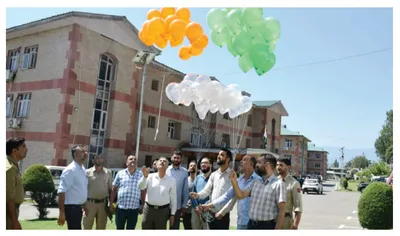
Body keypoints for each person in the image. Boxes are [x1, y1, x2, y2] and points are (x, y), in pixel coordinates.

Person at [200, 155, 262, 229]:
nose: (241, 162)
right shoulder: (239, 180)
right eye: (241, 160)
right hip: (241, 222)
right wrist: (209, 205)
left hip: (253, 223)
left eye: (244, 160)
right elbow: (226, 196)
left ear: (251, 165)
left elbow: (241, 195)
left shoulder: (258, 180)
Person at [229, 154, 287, 230]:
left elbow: (282, 210)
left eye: (259, 162)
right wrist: (234, 182)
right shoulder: (255, 182)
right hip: (251, 225)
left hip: (266, 227)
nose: (256, 165)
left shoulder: (279, 184)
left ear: (267, 165)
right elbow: (240, 195)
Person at [190, 148, 234, 230]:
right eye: (218, 154)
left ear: (228, 159)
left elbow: (233, 198)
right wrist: (198, 195)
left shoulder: (232, 175)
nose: (218, 156)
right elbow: (206, 191)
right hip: (211, 213)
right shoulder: (214, 174)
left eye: (222, 155)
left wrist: (222, 212)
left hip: (223, 216)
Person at [139, 157, 177, 230]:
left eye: (164, 161)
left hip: (163, 211)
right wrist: (144, 177)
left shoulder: (171, 180)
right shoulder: (149, 176)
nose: (162, 162)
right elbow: (141, 187)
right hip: (148, 210)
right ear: (156, 165)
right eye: (160, 160)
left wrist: (172, 214)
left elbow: (173, 199)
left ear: (167, 166)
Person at [57, 145, 89, 230]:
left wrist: (85, 206)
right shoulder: (70, 170)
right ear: (75, 154)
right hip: (71, 209)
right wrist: (62, 213)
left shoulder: (82, 168)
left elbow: (82, 189)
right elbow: (61, 192)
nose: (85, 153)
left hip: (78, 208)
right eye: (82, 151)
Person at [109, 155, 143, 230]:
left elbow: (143, 190)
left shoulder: (141, 175)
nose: (133, 160)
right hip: (121, 208)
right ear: (126, 163)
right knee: (119, 229)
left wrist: (143, 204)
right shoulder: (120, 173)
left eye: (135, 159)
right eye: (130, 159)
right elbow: (114, 189)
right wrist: (111, 203)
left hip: (134, 209)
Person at [83, 154, 113, 229]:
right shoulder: (87, 172)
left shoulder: (108, 172)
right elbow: (83, 189)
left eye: (101, 158)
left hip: (103, 204)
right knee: (87, 227)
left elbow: (110, 189)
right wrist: (83, 205)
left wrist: (111, 204)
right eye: (97, 158)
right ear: (93, 160)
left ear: (103, 160)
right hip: (89, 204)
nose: (99, 159)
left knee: (101, 228)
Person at [6, 138, 28, 230]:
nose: (26, 149)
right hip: (8, 214)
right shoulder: (9, 168)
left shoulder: (14, 165)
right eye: (23, 146)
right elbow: (9, 198)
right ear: (14, 151)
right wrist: (14, 222)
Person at [276, 157, 303, 229]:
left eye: (281, 165)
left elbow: (298, 207)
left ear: (288, 167)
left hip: (286, 220)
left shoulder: (294, 183)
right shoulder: (274, 181)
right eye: (277, 165)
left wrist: (295, 225)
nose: (278, 167)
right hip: (272, 219)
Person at [166, 150, 189, 229]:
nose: (176, 159)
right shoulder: (165, 170)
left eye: (178, 158)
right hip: (164, 205)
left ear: (181, 159)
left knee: (174, 228)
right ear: (171, 158)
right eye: (174, 157)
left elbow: (185, 190)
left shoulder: (185, 172)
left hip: (177, 206)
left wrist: (184, 205)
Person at [191, 157, 212, 229]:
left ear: (210, 165)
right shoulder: (197, 178)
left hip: (208, 210)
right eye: (202, 163)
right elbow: (193, 194)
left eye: (206, 163)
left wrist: (205, 207)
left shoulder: (214, 178)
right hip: (196, 210)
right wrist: (196, 207)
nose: (203, 164)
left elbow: (215, 195)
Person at [183, 160, 197, 229]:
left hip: (197, 211)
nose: (192, 167)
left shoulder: (199, 180)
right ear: (188, 169)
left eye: (194, 166)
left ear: (197, 168)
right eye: (191, 166)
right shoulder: (185, 181)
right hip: (187, 211)